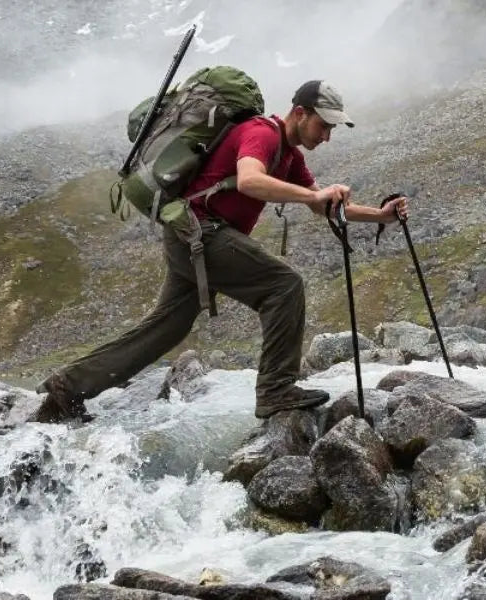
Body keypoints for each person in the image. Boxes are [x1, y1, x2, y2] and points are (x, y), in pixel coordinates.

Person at [31, 80, 409, 423]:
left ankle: (67, 389)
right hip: (199, 234)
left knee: (166, 329)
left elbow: (322, 205)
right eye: (323, 125)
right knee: (284, 286)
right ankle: (276, 390)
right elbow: (249, 180)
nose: (327, 135)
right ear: (300, 113)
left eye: (332, 129)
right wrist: (314, 194)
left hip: (189, 237)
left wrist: (381, 215)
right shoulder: (261, 133)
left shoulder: (291, 158)